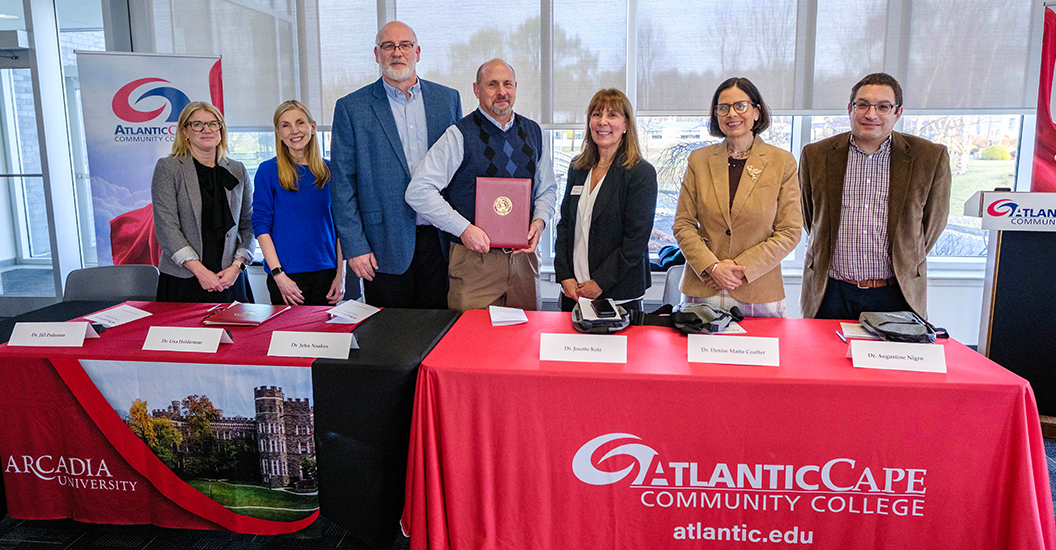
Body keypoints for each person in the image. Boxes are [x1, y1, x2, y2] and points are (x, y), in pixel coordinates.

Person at [406, 59, 557, 312]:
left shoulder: (534, 133)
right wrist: (463, 229)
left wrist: (540, 221)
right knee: (471, 344)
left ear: (516, 87)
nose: (501, 91)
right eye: (492, 84)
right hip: (475, 263)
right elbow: (418, 191)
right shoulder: (459, 135)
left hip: (524, 261)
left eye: (507, 84)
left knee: (523, 343)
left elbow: (547, 189)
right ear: (476, 90)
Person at [329, 21, 462, 309]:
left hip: (440, 241)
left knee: (437, 333)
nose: (397, 52)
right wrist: (355, 246)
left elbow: (459, 172)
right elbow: (342, 185)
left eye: (404, 46)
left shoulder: (447, 100)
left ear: (417, 52)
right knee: (388, 338)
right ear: (377, 54)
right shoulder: (352, 108)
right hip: (381, 245)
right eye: (388, 46)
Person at [800, 73, 951, 320]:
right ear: (850, 109)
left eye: (883, 107)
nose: (871, 114)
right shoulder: (816, 155)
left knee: (895, 359)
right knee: (824, 358)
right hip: (830, 293)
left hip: (896, 294)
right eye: (863, 105)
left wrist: (907, 255)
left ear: (897, 113)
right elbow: (810, 218)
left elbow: (933, 223)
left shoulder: (929, 157)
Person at [673, 77, 802, 317]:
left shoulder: (781, 162)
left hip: (758, 287)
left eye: (740, 106)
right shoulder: (698, 161)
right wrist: (712, 267)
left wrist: (741, 269)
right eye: (723, 108)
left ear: (756, 111)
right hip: (703, 286)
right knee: (698, 355)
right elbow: (683, 224)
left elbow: (790, 231)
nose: (732, 114)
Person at [554, 89, 657, 313]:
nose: (602, 122)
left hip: (618, 296)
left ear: (626, 125)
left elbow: (635, 241)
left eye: (612, 115)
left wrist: (599, 283)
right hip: (573, 292)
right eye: (596, 114)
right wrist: (564, 276)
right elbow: (564, 225)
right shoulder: (578, 168)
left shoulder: (640, 173)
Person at [152, 101, 254, 303]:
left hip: (230, 279)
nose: (206, 129)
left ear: (221, 130)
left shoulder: (237, 170)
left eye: (213, 123)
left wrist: (237, 266)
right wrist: (200, 271)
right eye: (197, 124)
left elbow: (248, 224)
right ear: (185, 131)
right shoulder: (169, 168)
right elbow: (167, 227)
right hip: (184, 278)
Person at [252, 100, 344, 306]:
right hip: (286, 276)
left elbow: (342, 226)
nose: (294, 131)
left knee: (325, 337)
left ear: (312, 127)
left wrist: (341, 274)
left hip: (327, 274)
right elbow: (260, 225)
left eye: (300, 123)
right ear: (278, 133)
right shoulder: (268, 171)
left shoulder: (332, 171)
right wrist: (278, 275)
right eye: (285, 125)